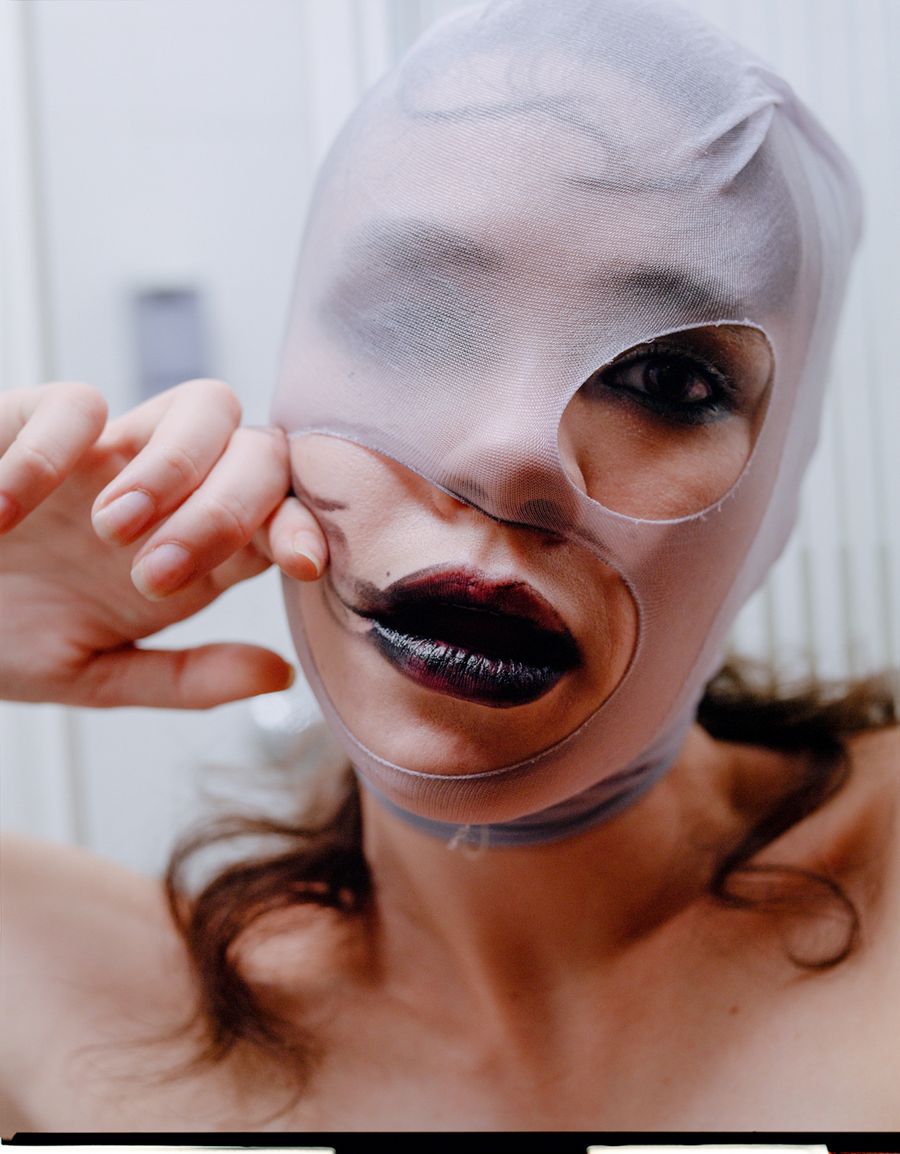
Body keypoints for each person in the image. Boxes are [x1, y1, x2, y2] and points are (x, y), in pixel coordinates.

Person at [2, 0, 898, 1133]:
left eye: (668, 381)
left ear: (779, 487)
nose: (510, 457)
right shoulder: (71, 1007)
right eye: (423, 320)